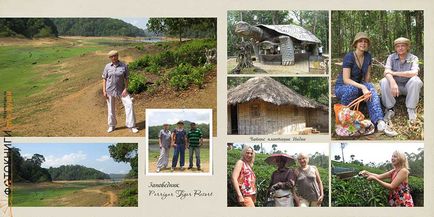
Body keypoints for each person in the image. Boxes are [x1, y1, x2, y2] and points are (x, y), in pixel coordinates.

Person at [334, 32, 386, 132]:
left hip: (357, 86)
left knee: (370, 87)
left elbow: (367, 78)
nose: (363, 43)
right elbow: (346, 79)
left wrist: (367, 88)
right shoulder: (349, 56)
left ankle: (379, 120)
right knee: (353, 89)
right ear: (356, 44)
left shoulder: (368, 56)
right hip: (343, 87)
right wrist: (363, 87)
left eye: (365, 41)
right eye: (360, 41)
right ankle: (345, 116)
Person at [380, 37, 423, 123]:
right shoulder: (391, 57)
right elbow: (386, 72)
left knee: (416, 80)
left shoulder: (413, 58)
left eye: (403, 46)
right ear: (395, 48)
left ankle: (411, 109)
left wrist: (394, 73)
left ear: (408, 47)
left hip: (408, 87)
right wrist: (392, 82)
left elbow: (414, 73)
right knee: (384, 81)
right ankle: (389, 109)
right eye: (398, 46)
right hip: (394, 88)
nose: (400, 48)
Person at [102, 50, 139, 133]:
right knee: (111, 109)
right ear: (110, 58)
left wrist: (126, 88)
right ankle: (112, 125)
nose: (114, 57)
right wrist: (104, 91)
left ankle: (132, 125)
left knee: (129, 104)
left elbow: (126, 78)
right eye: (112, 56)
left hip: (122, 90)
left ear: (118, 56)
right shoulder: (107, 67)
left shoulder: (124, 66)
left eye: (115, 55)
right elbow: (104, 79)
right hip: (110, 90)